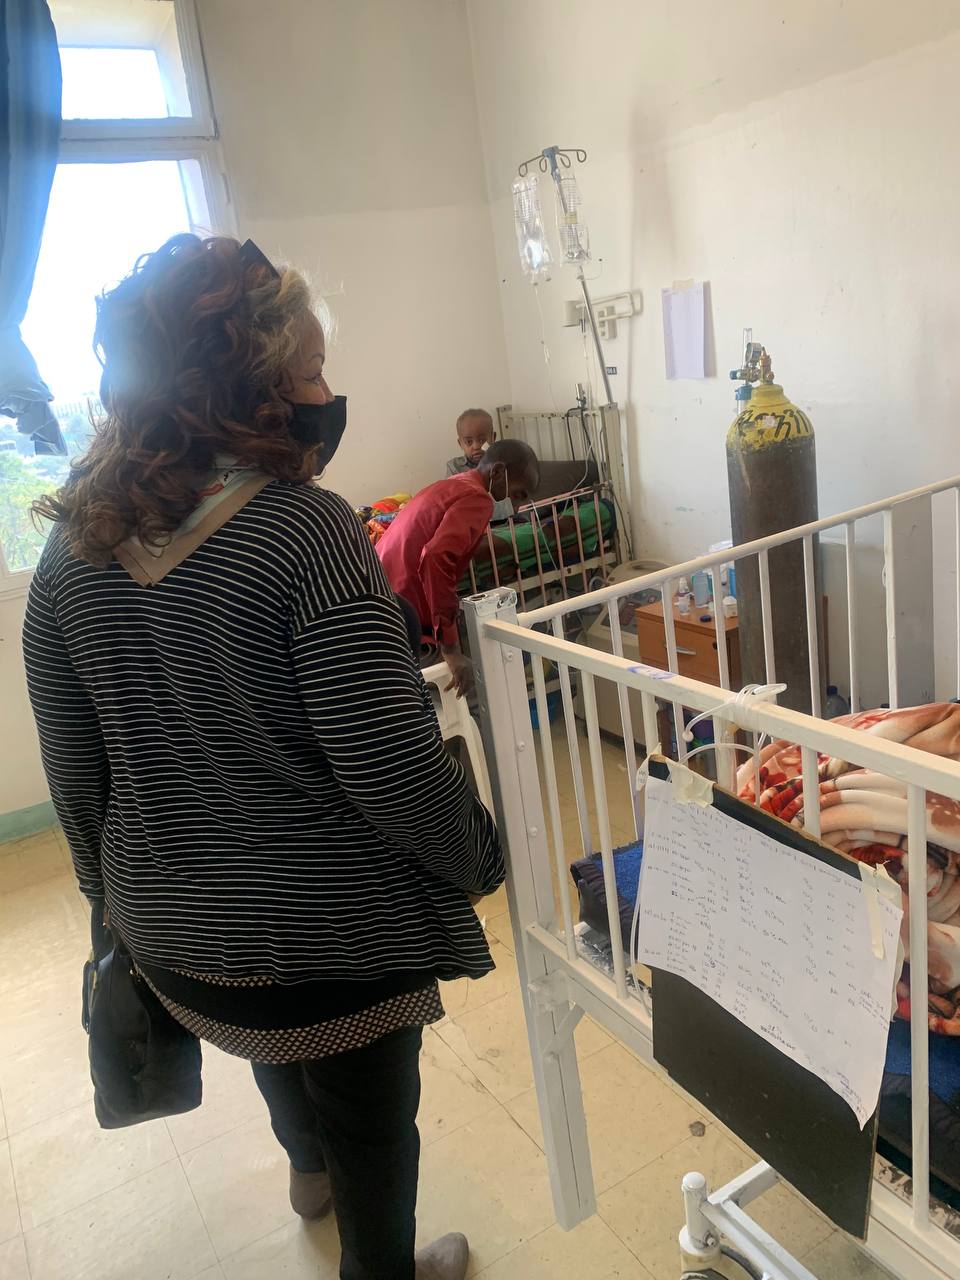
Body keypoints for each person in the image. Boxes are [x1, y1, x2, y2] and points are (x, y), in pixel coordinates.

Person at [23, 233, 504, 1280]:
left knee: (276, 1040)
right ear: (249, 385)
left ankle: (307, 1172)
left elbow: (77, 780)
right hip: (331, 949)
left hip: (181, 950)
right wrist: (481, 853)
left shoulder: (68, 554)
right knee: (372, 1120)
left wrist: (119, 909)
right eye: (313, 372)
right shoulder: (306, 535)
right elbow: (393, 771)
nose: (329, 396)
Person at [377, 439, 539, 697]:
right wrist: (451, 648)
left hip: (380, 595)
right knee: (473, 685)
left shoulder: (452, 484)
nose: (517, 506)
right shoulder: (478, 499)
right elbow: (436, 557)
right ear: (498, 472)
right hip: (401, 614)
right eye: (518, 494)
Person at [445, 408, 513, 522]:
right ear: (460, 443)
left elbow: (510, 498)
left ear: (493, 438)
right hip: (470, 521)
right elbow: (454, 501)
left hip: (504, 521)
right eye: (469, 442)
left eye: (482, 440)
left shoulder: (501, 464)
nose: (476, 446)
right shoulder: (454, 467)